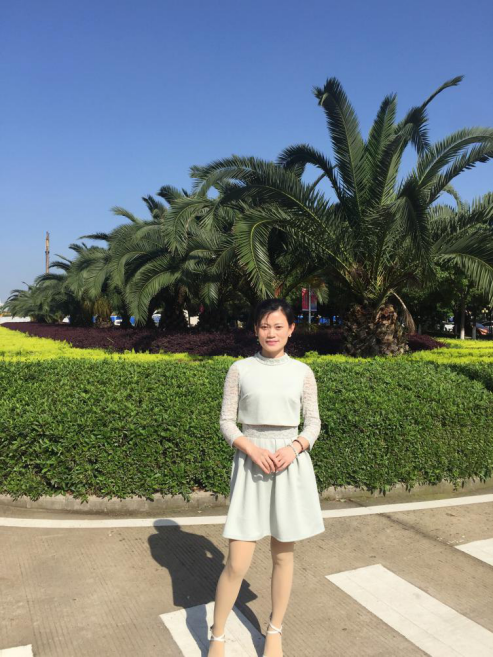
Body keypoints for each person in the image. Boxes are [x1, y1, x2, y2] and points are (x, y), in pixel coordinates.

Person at [208, 298, 325, 657]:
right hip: (251, 465)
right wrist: (251, 448)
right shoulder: (239, 369)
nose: (271, 333)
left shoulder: (303, 372)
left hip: (289, 465)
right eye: (264, 326)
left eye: (278, 326)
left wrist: (295, 448)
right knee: (236, 562)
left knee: (283, 556)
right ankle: (217, 635)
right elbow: (226, 421)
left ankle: (275, 630)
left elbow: (313, 423)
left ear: (291, 329)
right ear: (255, 330)